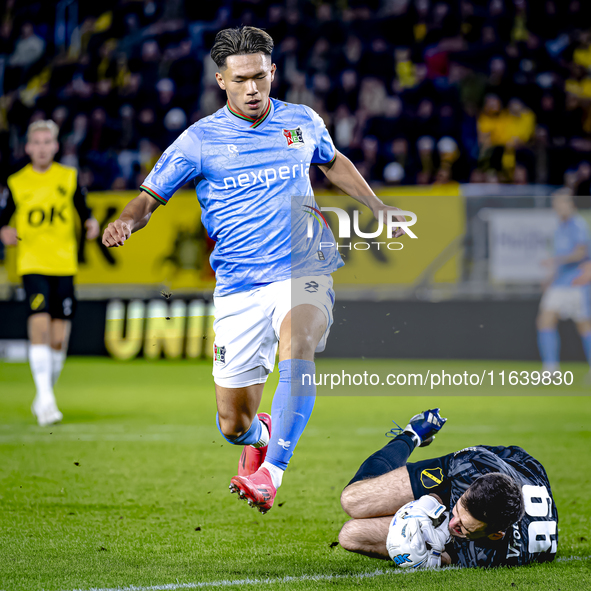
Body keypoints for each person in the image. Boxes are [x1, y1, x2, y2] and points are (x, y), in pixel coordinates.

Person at [101, 26, 404, 514]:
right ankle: (260, 435)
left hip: (303, 265)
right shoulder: (199, 140)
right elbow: (148, 197)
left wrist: (376, 204)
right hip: (239, 287)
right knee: (232, 425)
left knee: (298, 342)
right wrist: (125, 222)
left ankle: (271, 473)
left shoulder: (302, 121)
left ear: (273, 72)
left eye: (260, 77)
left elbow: (332, 162)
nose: (252, 88)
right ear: (221, 80)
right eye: (240, 79)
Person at [339, 409, 558, 568]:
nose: (452, 523)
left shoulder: (484, 556)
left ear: (494, 535)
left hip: (511, 512)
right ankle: (412, 434)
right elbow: (456, 494)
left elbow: (438, 557)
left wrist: (421, 557)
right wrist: (431, 502)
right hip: (520, 465)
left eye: (464, 528)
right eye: (456, 511)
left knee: (351, 536)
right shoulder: (469, 467)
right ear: (467, 489)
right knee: (354, 500)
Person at [0, 120, 100, 426]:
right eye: (37, 143)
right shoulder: (17, 182)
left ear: (55, 146)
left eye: (47, 142)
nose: (42, 148)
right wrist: (4, 229)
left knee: (59, 339)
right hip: (32, 264)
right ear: (28, 147)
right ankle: (46, 399)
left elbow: (84, 211)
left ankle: (43, 396)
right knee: (39, 326)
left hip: (64, 264)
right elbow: (4, 218)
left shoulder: (68, 178)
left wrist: (91, 223)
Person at [537, 194, 591, 374]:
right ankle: (551, 369)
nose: (558, 209)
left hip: (577, 281)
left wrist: (555, 260)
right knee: (545, 320)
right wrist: (550, 278)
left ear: (570, 205)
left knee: (584, 325)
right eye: (555, 206)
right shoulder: (560, 228)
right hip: (560, 283)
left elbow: (580, 253)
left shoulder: (578, 225)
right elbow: (559, 259)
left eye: (561, 205)